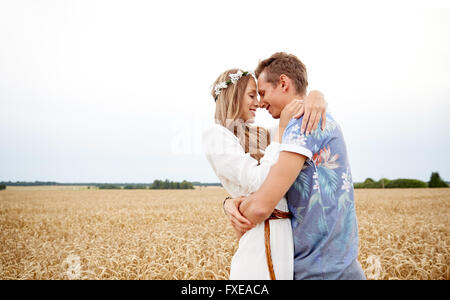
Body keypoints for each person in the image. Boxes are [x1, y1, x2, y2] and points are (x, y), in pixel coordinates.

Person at [226, 52, 366, 280]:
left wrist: (236, 208)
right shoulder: (325, 119)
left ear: (283, 83)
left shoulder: (301, 126)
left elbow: (261, 207)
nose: (260, 103)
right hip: (344, 266)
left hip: (318, 271)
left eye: (262, 93)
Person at [202, 68, 326, 279]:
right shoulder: (215, 135)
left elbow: (291, 120)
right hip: (260, 237)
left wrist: (316, 96)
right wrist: (228, 201)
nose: (259, 103)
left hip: (284, 238)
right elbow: (257, 182)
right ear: (233, 96)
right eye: (252, 95)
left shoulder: (257, 134)